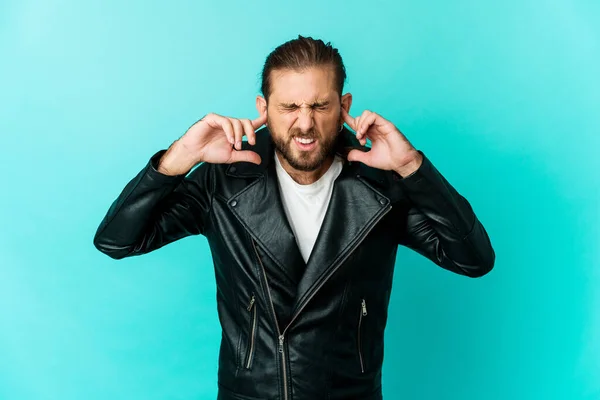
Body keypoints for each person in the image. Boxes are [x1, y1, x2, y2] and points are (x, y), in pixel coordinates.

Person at [93, 35, 495, 400]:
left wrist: (411, 167)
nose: (305, 123)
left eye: (320, 105)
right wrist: (178, 158)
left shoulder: (382, 185)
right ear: (263, 109)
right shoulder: (224, 179)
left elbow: (473, 259)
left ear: (344, 107)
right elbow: (116, 240)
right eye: (289, 107)